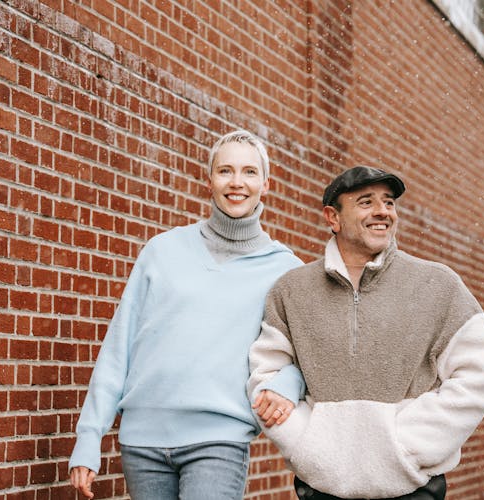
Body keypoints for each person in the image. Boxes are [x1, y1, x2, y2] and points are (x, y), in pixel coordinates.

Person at [68, 130, 306, 499]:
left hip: (219, 441)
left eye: (249, 172)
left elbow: (309, 355)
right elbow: (119, 348)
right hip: (141, 444)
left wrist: (286, 385)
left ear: (265, 184)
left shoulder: (286, 270)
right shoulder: (161, 251)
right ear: (208, 180)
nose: (237, 182)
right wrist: (88, 436)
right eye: (225, 171)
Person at [247, 166, 484, 500]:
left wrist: (408, 447)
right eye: (366, 202)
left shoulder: (438, 285)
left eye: (389, 203)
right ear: (332, 218)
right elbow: (266, 374)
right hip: (321, 488)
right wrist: (307, 446)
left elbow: (475, 378)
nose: (383, 212)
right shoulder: (292, 291)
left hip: (413, 487)